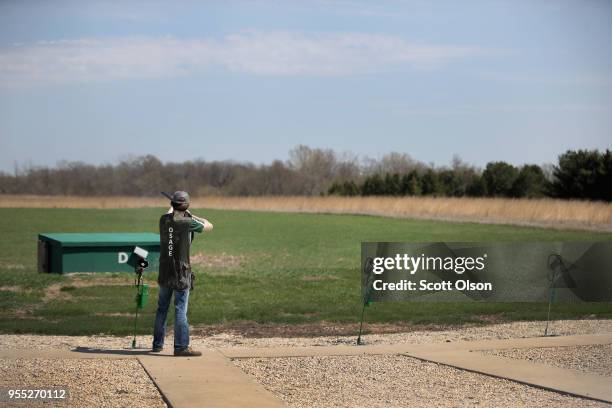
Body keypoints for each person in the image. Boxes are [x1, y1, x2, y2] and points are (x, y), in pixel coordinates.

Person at [152, 191, 213, 356]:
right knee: (180, 309)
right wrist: (195, 216)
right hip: (181, 271)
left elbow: (169, 214)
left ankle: (157, 344)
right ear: (186, 206)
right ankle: (181, 347)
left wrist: (177, 209)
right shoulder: (188, 222)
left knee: (162, 308)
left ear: (172, 205)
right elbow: (209, 225)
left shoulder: (163, 220)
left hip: (165, 270)